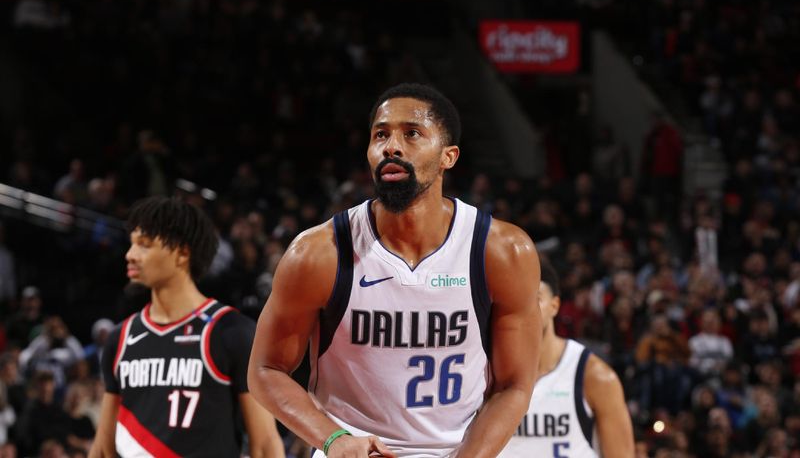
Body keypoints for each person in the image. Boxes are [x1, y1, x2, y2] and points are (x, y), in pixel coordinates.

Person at [248, 83, 542, 457]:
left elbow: (514, 385)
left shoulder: (500, 251)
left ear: (448, 156)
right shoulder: (318, 254)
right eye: (380, 134)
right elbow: (265, 370)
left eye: (412, 133)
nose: (391, 146)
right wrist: (334, 439)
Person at [88, 196, 284, 458]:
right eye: (132, 244)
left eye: (144, 245)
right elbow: (103, 448)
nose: (130, 255)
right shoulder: (121, 337)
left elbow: (265, 446)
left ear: (182, 252)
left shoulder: (231, 332)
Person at [500, 260, 634, 457]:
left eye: (534, 299)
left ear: (555, 305)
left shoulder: (594, 376)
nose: (525, 309)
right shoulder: (484, 371)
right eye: (516, 300)